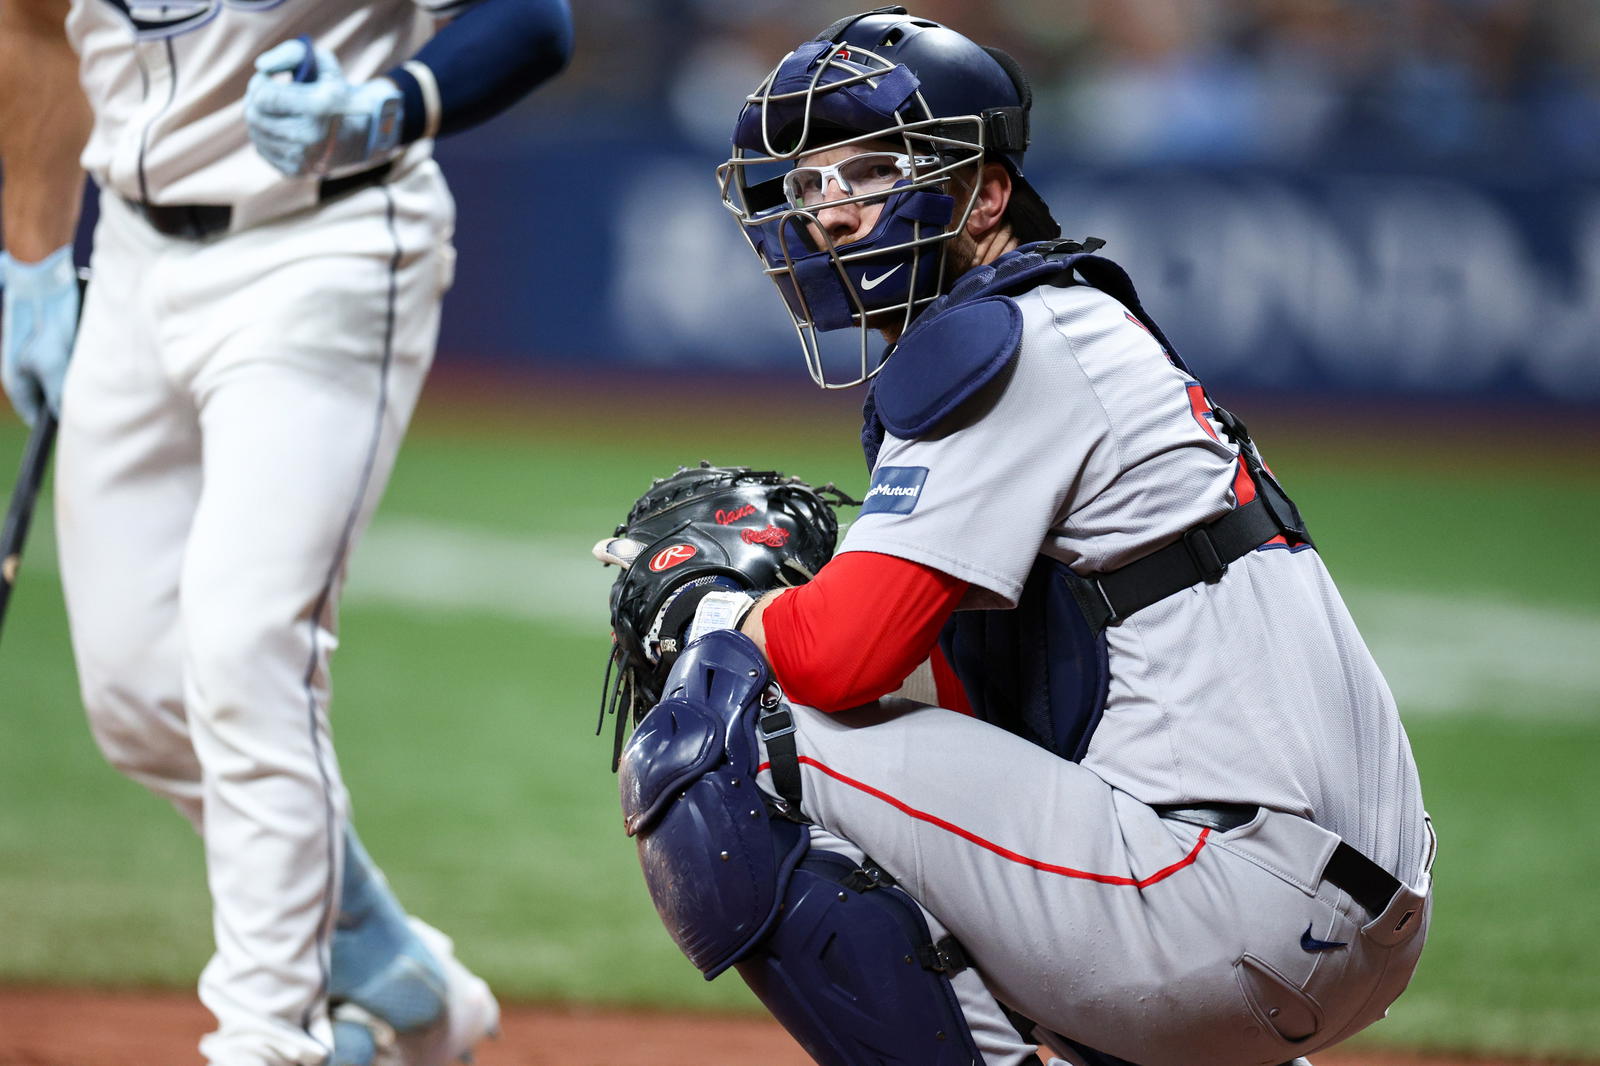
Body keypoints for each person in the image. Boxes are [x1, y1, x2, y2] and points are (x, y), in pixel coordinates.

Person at [604, 9, 1434, 1066]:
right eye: (810, 185)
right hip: (1329, 909)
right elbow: (966, 710)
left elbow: (836, 656)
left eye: (869, 172)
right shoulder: (1063, 323)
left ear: (984, 192)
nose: (830, 213)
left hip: (1236, 910)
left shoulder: (1007, 342)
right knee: (894, 774)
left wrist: (718, 607)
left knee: (725, 736)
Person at [0, 1, 571, 1063]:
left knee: (246, 647)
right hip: (126, 254)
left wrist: (382, 106)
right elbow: (32, 28)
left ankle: (266, 1034)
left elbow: (532, 20)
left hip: (329, 242)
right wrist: (32, 258)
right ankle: (394, 967)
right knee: (133, 696)